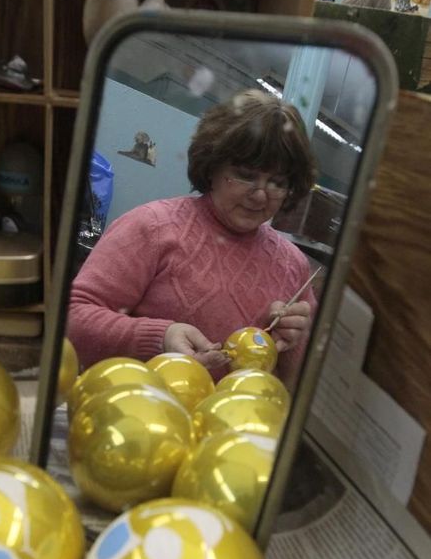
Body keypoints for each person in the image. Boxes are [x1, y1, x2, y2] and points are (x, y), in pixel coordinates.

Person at [66, 89, 318, 386]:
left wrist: (296, 340)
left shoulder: (293, 266)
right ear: (212, 166)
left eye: (277, 182)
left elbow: (297, 387)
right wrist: (161, 338)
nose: (260, 194)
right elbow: (71, 318)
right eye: (245, 175)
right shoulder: (152, 228)